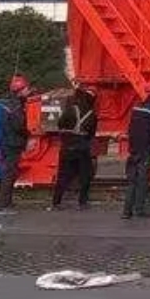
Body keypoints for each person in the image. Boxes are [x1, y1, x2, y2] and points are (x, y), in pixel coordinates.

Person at [51, 80, 99, 211]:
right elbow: (91, 134)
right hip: (82, 147)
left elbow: (60, 124)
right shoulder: (92, 115)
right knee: (85, 174)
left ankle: (56, 202)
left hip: (67, 146)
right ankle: (82, 202)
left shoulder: (71, 110)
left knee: (63, 175)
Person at [123, 87, 150, 219]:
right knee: (143, 181)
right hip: (146, 151)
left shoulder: (137, 107)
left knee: (132, 181)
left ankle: (126, 211)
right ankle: (139, 209)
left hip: (134, 150)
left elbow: (131, 128)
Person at [0, 77, 30, 211]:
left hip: (7, 141)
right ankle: (4, 204)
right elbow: (19, 126)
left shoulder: (9, 104)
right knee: (10, 174)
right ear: (20, 91)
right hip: (13, 143)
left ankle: (6, 202)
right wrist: (28, 133)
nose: (28, 91)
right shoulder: (16, 106)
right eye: (26, 88)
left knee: (9, 172)